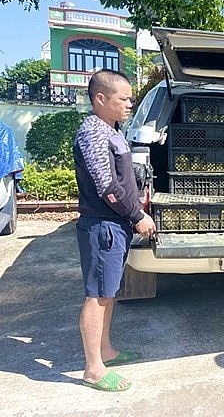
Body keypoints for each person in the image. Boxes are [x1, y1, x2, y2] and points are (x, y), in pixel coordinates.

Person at [74, 69, 156, 392]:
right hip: (102, 226)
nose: (129, 104)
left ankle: (106, 350)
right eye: (124, 99)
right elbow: (107, 187)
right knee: (97, 296)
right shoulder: (93, 132)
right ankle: (93, 369)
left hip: (115, 225)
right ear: (101, 99)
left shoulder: (113, 130)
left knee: (109, 294)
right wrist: (137, 215)